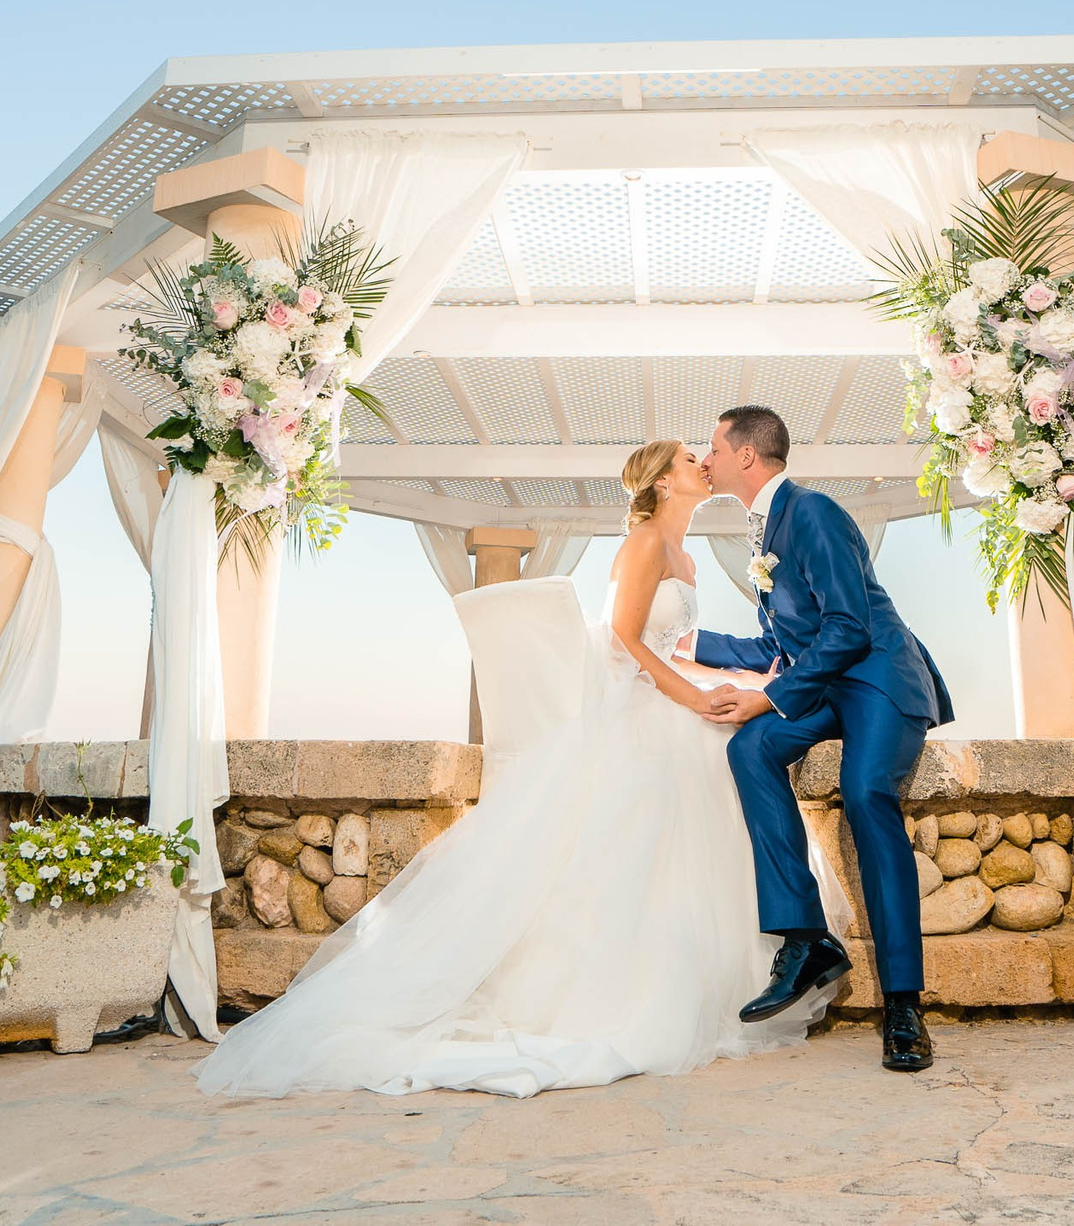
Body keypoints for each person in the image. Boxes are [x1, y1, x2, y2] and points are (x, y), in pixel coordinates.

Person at [191, 439, 841, 1099]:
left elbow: (669, 647)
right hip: (636, 716)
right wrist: (694, 697)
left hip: (663, 696)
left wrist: (729, 676)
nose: (703, 463)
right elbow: (625, 640)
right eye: (687, 459)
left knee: (723, 769)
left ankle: (736, 973)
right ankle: (628, 994)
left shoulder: (688, 553)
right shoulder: (645, 542)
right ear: (664, 483)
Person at [693, 404, 956, 1072]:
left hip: (877, 679)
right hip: (829, 684)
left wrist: (766, 696)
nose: (707, 457)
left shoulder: (813, 513)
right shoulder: (765, 531)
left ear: (747, 455)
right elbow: (779, 643)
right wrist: (685, 640)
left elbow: (846, 627)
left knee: (866, 789)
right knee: (749, 747)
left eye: (715, 446)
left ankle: (903, 1003)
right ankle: (806, 937)